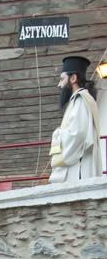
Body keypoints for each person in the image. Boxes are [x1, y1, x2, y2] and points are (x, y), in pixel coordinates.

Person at [49, 55, 102, 184]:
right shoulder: (78, 101)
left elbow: (77, 135)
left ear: (73, 78)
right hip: (79, 167)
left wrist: (57, 134)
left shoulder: (80, 101)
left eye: (62, 79)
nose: (59, 85)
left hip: (78, 171)